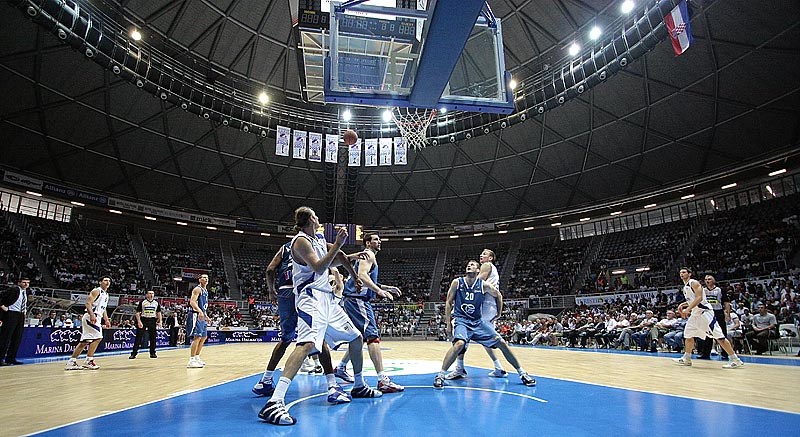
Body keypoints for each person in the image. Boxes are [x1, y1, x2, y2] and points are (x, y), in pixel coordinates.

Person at [258, 207, 373, 426]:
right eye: (317, 217)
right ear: (311, 219)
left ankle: (359, 386)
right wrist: (339, 243)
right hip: (310, 297)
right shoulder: (300, 241)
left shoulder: (318, 238)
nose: (319, 219)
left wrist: (351, 269)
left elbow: (336, 259)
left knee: (356, 338)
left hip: (327, 299)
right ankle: (275, 401)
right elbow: (320, 267)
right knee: (306, 344)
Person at [252, 243, 351, 405]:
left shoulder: (284, 247)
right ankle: (332, 385)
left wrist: (271, 291)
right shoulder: (311, 243)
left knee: (286, 339)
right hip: (305, 290)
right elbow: (330, 260)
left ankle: (266, 379)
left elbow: (270, 269)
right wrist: (351, 259)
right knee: (319, 338)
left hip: (285, 292)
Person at [434, 260, 536, 389]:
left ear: (478, 270)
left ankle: (522, 373)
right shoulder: (457, 282)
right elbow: (448, 302)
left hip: (478, 322)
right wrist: (448, 324)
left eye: (472, 265)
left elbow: (498, 295)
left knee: (502, 343)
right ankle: (441, 375)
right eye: (468, 265)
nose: (469, 266)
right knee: (459, 344)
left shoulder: (483, 285)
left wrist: (499, 313)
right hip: (462, 320)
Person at [338, 233, 405, 393]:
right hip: (358, 299)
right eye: (376, 239)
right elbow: (362, 276)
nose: (379, 241)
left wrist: (387, 287)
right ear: (368, 243)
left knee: (358, 338)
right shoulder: (368, 254)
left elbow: (367, 279)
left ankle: (340, 367)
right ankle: (382, 380)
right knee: (372, 337)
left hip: (352, 299)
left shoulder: (367, 256)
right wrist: (379, 291)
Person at [447, 249, 508, 379]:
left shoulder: (486, 265)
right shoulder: (494, 270)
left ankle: (459, 367)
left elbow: (475, 282)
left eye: (485, 254)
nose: (481, 255)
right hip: (489, 305)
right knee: (488, 339)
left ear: (491, 258)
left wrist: (461, 286)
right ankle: (498, 367)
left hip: (485, 305)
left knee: (461, 333)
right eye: (481, 254)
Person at [672, 267, 744, 368]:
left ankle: (735, 359)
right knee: (688, 335)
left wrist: (687, 309)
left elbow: (699, 298)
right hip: (695, 314)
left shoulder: (694, 283)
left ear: (690, 274)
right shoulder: (685, 286)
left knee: (719, 337)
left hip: (705, 313)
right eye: (680, 272)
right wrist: (683, 305)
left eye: (684, 272)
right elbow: (693, 299)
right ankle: (687, 358)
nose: (681, 274)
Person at [64, 277, 111, 370]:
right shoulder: (96, 291)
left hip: (97, 317)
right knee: (98, 338)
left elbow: (103, 308)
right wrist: (92, 314)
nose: (107, 282)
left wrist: (106, 319)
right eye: (105, 280)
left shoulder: (106, 294)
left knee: (85, 341)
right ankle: (88, 360)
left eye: (109, 281)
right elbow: (88, 303)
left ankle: (71, 361)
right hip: (91, 317)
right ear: (100, 282)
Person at [0, 277, 31, 366]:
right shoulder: (13, 290)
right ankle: (0, 358)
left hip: (20, 315)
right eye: (24, 282)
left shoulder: (26, 292)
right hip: (11, 314)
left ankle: (11, 358)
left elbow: (23, 303)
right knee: (5, 337)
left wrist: (24, 312)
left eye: (27, 282)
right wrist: (4, 307)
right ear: (19, 283)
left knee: (17, 338)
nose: (26, 284)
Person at [698, 275, 728, 359]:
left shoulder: (720, 290)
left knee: (722, 333)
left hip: (718, 312)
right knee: (707, 333)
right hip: (707, 313)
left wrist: (728, 314)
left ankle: (725, 353)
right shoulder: (702, 290)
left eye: (709, 279)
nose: (707, 281)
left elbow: (726, 302)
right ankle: (705, 353)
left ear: (714, 280)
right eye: (706, 279)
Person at [130, 290, 162, 359]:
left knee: (153, 338)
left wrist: (160, 321)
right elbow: (138, 312)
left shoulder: (156, 303)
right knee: (138, 337)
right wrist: (139, 321)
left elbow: (159, 312)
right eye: (150, 293)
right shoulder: (143, 302)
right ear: (147, 295)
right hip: (144, 319)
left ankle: (152, 353)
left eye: (152, 293)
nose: (151, 295)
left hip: (152, 320)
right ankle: (134, 353)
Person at [186, 274, 209, 368]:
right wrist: (200, 312)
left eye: (207, 278)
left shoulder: (206, 291)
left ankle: (196, 357)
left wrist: (206, 315)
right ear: (200, 280)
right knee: (197, 337)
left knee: (204, 337)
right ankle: (191, 360)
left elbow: (203, 305)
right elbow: (192, 302)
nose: (206, 279)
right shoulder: (197, 289)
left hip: (202, 315)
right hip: (196, 314)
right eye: (204, 277)